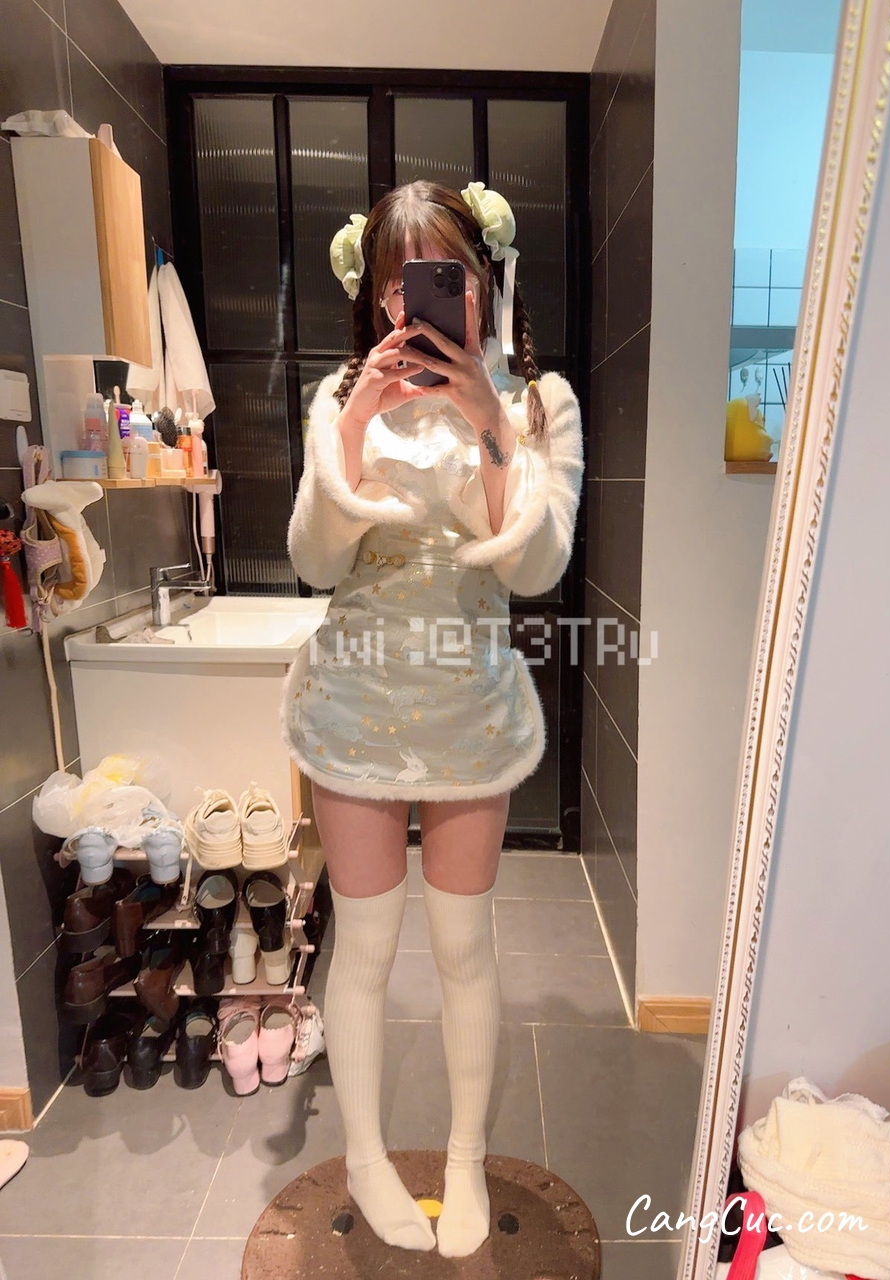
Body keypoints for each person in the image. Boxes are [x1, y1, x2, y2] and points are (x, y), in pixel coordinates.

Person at [281, 180, 584, 1257]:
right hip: (356, 700)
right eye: (398, 283)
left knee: (463, 945)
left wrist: (491, 420)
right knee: (364, 945)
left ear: (482, 281)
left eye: (442, 276)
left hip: (468, 703)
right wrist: (355, 422)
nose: (417, 302)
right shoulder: (337, 400)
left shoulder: (539, 402)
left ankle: (462, 1156)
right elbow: (315, 562)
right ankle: (366, 1158)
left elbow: (538, 569)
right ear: (375, 297)